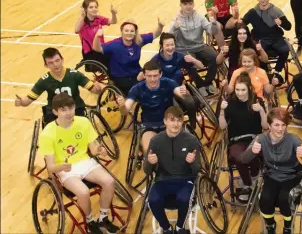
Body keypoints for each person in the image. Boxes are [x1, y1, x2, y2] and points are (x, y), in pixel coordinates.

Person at [39, 93, 120, 234]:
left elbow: (93, 149)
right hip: (65, 169)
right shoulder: (47, 133)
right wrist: (60, 167)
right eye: (63, 110)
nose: (68, 112)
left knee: (109, 181)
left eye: (70, 108)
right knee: (83, 192)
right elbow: (50, 167)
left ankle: (103, 219)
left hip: (84, 161)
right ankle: (89, 221)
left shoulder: (83, 122)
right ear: (55, 112)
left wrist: (99, 150)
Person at [239, 108, 302, 234]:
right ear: (269, 126)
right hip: (272, 175)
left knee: (284, 199)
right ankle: (270, 225)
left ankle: (287, 226)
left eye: (283, 125)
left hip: (292, 176)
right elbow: (244, 159)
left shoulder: (293, 139)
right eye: (276, 125)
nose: (280, 129)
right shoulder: (261, 139)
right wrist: (252, 151)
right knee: (265, 198)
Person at [143, 106, 202, 234]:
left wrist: (192, 163)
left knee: (184, 199)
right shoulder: (155, 141)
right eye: (172, 120)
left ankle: (180, 227)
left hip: (185, 180)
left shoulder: (191, 140)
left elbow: (197, 169)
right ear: (165, 121)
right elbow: (147, 171)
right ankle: (167, 229)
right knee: (152, 199)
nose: (175, 124)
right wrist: (150, 163)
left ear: (182, 122)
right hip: (162, 180)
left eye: (179, 120)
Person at [16, 48, 103, 125]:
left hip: (76, 108)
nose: (55, 65)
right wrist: (21, 102)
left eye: (57, 60)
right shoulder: (44, 81)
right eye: (51, 63)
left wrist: (97, 88)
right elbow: (27, 101)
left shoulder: (74, 75)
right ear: (46, 65)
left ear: (62, 60)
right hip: (55, 113)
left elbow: (94, 89)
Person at [218, 73, 269, 202]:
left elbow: (265, 126)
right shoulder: (229, 102)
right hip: (237, 140)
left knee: (253, 152)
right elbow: (222, 127)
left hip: (254, 139)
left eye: (243, 90)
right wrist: (222, 111)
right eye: (237, 90)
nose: (240, 93)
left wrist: (262, 111)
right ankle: (249, 183)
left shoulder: (257, 101)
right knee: (240, 158)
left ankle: (251, 176)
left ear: (249, 89)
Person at [119, 61, 189, 154]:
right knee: (150, 152)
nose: (152, 79)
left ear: (160, 74)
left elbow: (182, 95)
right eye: (149, 76)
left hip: (169, 123)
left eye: (155, 76)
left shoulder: (168, 83)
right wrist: (122, 106)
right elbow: (124, 111)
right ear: (144, 75)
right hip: (149, 125)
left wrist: (185, 92)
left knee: (177, 151)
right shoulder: (137, 89)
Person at [168, 0, 225, 96]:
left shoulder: (199, 17)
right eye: (185, 4)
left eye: (190, 4)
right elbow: (169, 39)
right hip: (183, 49)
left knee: (214, 57)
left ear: (193, 4)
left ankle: (208, 83)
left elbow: (212, 31)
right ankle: (200, 86)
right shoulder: (176, 19)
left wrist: (214, 22)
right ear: (180, 5)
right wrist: (175, 28)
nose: (188, 6)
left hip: (200, 46)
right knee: (190, 62)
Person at [143, 32, 203, 129]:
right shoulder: (155, 60)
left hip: (179, 88)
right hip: (164, 92)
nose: (170, 47)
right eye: (167, 45)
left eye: (172, 44)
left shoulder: (179, 56)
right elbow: (145, 76)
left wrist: (194, 60)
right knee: (176, 111)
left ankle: (193, 126)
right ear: (161, 46)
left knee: (191, 103)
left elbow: (201, 66)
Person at [92, 19, 164, 97]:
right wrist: (97, 37)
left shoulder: (138, 41)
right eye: (126, 31)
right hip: (122, 77)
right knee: (144, 90)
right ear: (122, 31)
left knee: (155, 81)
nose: (129, 33)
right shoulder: (114, 45)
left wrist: (160, 26)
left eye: (132, 31)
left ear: (135, 32)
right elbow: (97, 48)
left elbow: (154, 35)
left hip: (136, 73)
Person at [239, 0, 292, 84]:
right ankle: (265, 74)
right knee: (259, 54)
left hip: (276, 38)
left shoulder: (276, 10)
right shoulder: (253, 12)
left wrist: (281, 23)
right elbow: (242, 24)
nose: (263, 0)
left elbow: (288, 27)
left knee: (285, 50)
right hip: (261, 39)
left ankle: (276, 72)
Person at [75, 0, 117, 68]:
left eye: (95, 7)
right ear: (85, 9)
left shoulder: (98, 18)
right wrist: (82, 16)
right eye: (91, 7)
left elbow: (113, 21)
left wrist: (113, 14)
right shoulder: (82, 21)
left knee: (118, 51)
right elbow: (76, 30)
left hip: (101, 48)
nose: (94, 9)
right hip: (91, 52)